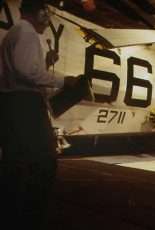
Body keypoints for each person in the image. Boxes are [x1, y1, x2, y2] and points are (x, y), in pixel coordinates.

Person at [0, 1, 77, 229]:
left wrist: (45, 63)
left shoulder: (16, 32)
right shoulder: (26, 32)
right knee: (44, 161)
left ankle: (10, 213)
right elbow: (27, 72)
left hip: (14, 104)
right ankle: (30, 217)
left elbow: (22, 69)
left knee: (15, 162)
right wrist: (65, 80)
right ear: (40, 13)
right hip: (25, 105)